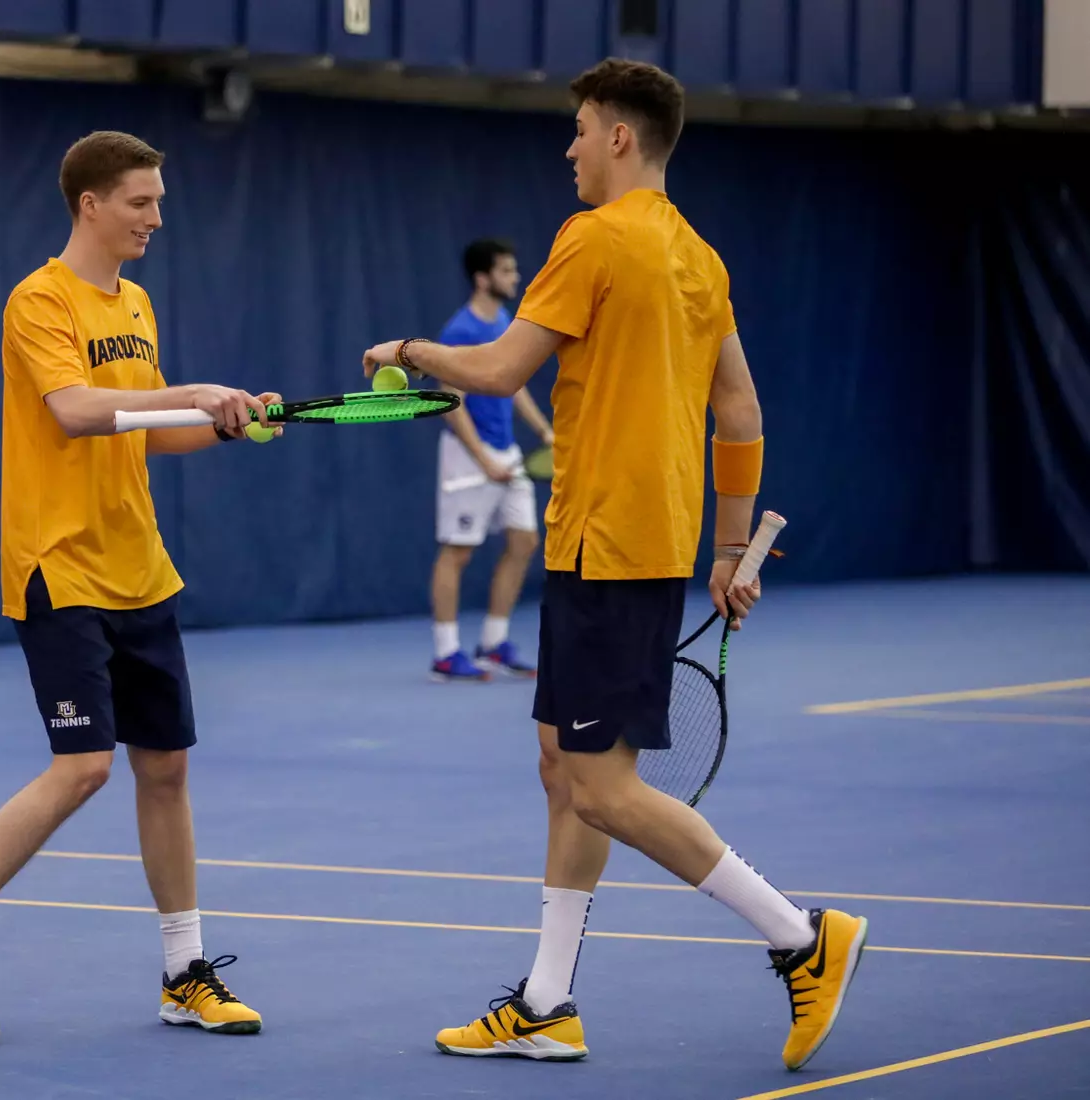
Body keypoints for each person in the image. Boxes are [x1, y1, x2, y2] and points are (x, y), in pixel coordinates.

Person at [361, 59, 867, 1072]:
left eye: (581, 129)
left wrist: (409, 349)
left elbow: (502, 368)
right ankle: (547, 1003)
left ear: (622, 138)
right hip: (646, 540)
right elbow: (741, 409)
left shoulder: (591, 239)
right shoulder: (700, 257)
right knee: (563, 768)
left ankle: (802, 938)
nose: (571, 148)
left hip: (605, 542)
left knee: (600, 784)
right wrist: (728, 545)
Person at [0, 130, 273, 1043]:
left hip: (141, 566)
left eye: (160, 202)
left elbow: (145, 428)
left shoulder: (135, 302)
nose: (156, 217)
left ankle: (185, 972)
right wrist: (190, 389)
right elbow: (77, 412)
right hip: (60, 566)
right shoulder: (38, 301)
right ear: (91, 204)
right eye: (141, 202)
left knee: (166, 771)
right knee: (85, 766)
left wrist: (220, 420)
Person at [428, 238, 554, 682]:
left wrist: (543, 431)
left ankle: (493, 644)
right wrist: (483, 461)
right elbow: (450, 402)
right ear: (483, 278)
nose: (515, 278)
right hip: (468, 455)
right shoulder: (460, 331)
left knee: (523, 542)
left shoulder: (503, 321)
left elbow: (512, 381)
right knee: (458, 552)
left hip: (507, 452)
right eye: (506, 271)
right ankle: (446, 653)